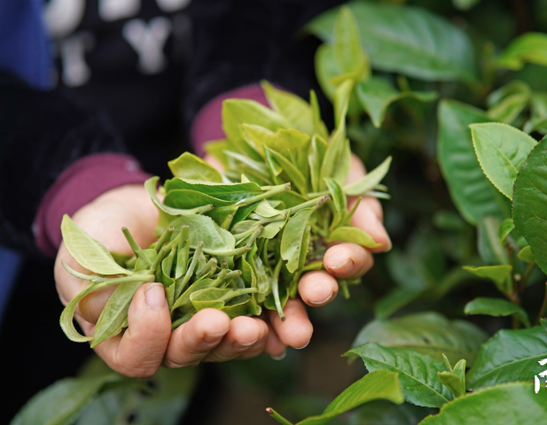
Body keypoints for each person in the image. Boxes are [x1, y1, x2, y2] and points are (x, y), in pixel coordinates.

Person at [0, 0, 391, 379]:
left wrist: (252, 118)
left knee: (202, 345)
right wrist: (76, 183)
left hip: (187, 146)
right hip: (22, 229)